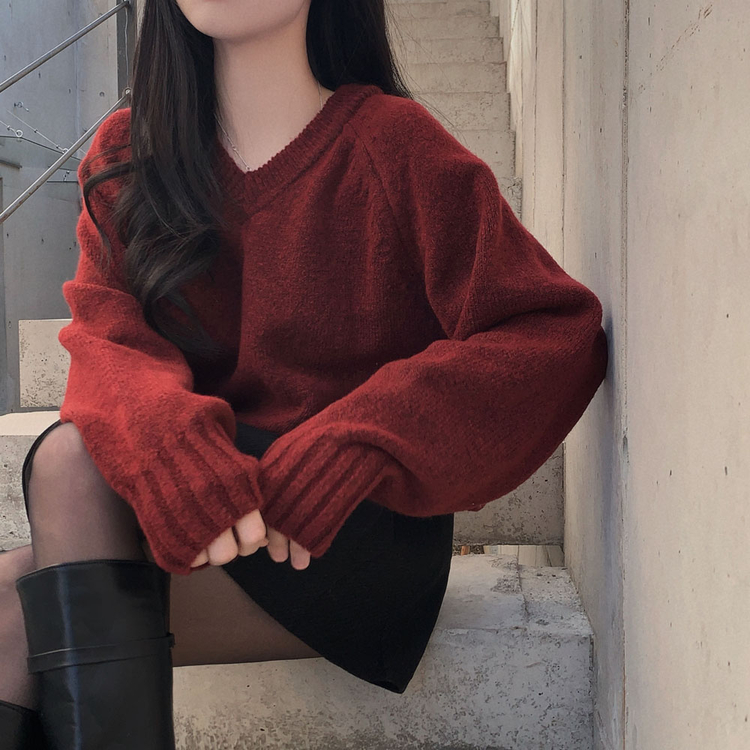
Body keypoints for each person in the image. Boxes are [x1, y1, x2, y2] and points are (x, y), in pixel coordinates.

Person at [0, 0, 609, 747]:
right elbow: (106, 335)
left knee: (64, 475)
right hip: (215, 511)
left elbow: (551, 330)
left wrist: (361, 437)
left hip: (347, 531)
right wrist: (170, 444)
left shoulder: (392, 144)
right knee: (15, 592)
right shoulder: (130, 154)